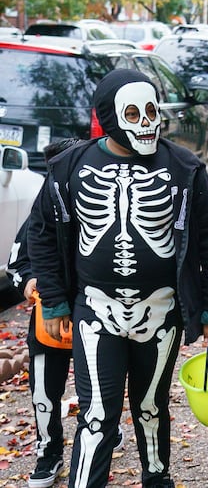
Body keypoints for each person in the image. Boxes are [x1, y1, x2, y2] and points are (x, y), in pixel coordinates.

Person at [27, 69, 208, 488]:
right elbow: (41, 232)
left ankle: (158, 479)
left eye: (152, 111)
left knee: (152, 407)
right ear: (111, 115)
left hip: (160, 312)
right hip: (96, 312)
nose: (148, 123)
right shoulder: (71, 167)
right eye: (134, 114)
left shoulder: (185, 168)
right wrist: (54, 299)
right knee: (98, 414)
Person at [7, 138, 124, 488]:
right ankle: (49, 450)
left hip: (96, 317)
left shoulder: (101, 212)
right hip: (48, 322)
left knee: (103, 385)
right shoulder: (39, 217)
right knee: (45, 392)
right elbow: (17, 262)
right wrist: (28, 283)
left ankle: (105, 430)